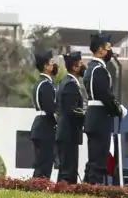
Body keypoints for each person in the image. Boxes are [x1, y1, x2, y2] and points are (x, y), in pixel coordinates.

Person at [84, 32, 126, 184]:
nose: (110, 51)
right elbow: (105, 96)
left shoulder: (91, 68)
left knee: (93, 161)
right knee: (98, 162)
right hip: (100, 118)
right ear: (100, 50)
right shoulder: (99, 70)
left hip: (94, 117)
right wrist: (117, 109)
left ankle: (85, 190)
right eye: (108, 47)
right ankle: (92, 190)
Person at [56, 50, 86, 184]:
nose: (84, 66)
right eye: (81, 63)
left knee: (67, 169)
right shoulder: (70, 84)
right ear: (75, 67)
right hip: (68, 133)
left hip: (68, 133)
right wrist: (87, 116)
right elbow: (71, 110)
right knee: (68, 172)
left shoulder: (68, 82)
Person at [29, 51, 58, 179]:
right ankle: (38, 187)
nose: (54, 64)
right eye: (51, 62)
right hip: (46, 127)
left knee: (41, 163)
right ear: (46, 66)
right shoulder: (46, 84)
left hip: (40, 126)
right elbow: (50, 108)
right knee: (44, 166)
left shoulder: (41, 82)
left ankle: (36, 187)